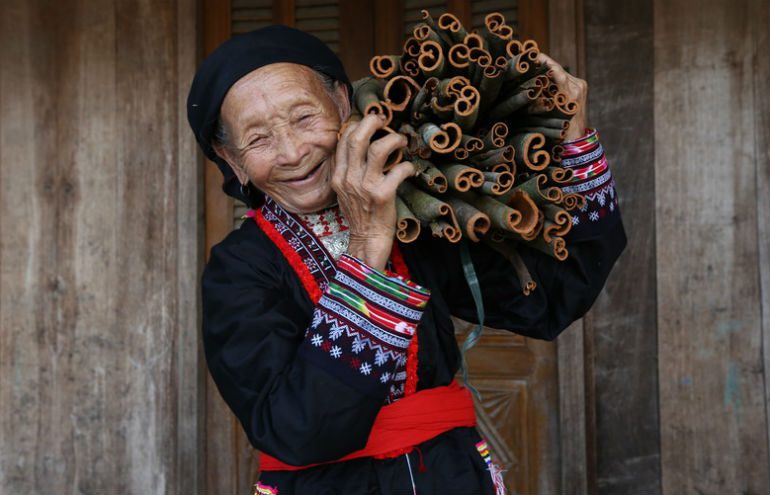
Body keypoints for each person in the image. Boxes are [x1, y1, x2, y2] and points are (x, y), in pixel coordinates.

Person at [187, 25, 625, 495]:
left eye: (304, 118)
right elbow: (299, 430)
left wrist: (572, 142)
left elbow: (552, 301)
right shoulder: (239, 270)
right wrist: (368, 241)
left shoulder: (417, 215)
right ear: (229, 159)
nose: (293, 152)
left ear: (340, 102)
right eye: (257, 140)